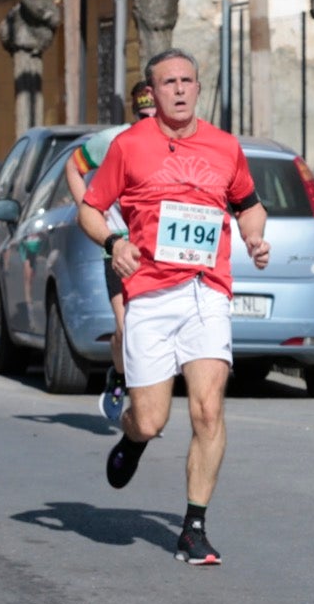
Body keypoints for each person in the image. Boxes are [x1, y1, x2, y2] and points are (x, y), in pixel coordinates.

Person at [79, 49, 270, 566]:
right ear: (153, 92)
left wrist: (253, 238)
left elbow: (249, 204)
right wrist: (114, 242)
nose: (180, 90)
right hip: (150, 295)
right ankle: (134, 439)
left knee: (208, 408)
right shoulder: (128, 146)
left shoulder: (225, 146)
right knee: (152, 418)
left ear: (198, 87)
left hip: (207, 289)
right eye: (169, 82)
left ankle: (193, 528)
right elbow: (91, 208)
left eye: (188, 80)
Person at [64, 81, 158, 426]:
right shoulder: (115, 141)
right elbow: (73, 166)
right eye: (142, 114)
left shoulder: (175, 142)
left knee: (148, 332)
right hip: (118, 248)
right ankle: (118, 378)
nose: (149, 120)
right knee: (127, 328)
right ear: (134, 113)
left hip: (158, 251)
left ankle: (145, 403)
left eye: (155, 113)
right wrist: (87, 208)